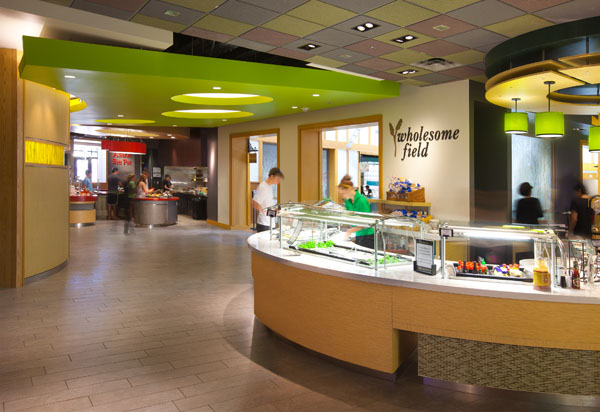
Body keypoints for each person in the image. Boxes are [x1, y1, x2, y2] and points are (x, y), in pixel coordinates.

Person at [338, 175, 374, 248]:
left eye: (343, 193)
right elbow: (348, 215)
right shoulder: (348, 201)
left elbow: (365, 223)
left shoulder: (362, 201)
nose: (342, 196)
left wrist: (349, 232)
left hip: (367, 236)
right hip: (357, 234)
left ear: (349, 189)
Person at [252, 167, 284, 233]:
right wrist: (268, 212)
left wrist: (274, 210)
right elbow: (254, 203)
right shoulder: (262, 187)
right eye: (277, 179)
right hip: (264, 224)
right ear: (272, 176)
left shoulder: (269, 187)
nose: (278, 181)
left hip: (270, 223)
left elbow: (267, 204)